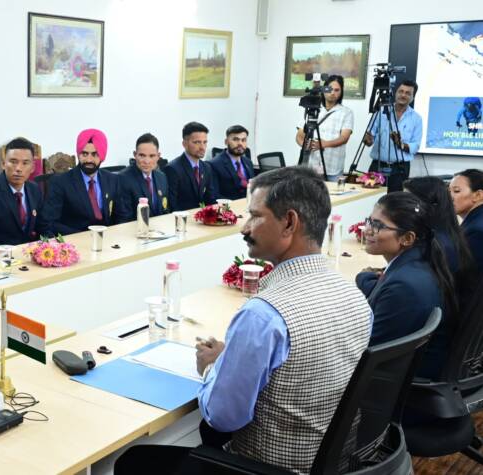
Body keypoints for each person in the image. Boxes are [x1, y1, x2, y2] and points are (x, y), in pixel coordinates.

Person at [115, 167, 372, 474]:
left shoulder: (264, 315)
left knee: (132, 462)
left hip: (262, 467)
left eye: (255, 216)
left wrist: (212, 368)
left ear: (289, 223)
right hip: (332, 464)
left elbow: (223, 417)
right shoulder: (354, 297)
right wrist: (234, 358)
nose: (244, 228)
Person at [355, 192, 456, 380]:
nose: (367, 230)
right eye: (369, 221)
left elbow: (367, 350)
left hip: (393, 383)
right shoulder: (415, 264)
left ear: (407, 238)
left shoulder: (404, 287)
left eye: (378, 225)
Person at [42, 129, 132, 235]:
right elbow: (49, 223)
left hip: (107, 240)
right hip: (75, 240)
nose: (89, 160)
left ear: (102, 156)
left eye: (94, 154)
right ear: (78, 154)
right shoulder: (60, 182)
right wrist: (83, 238)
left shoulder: (113, 180)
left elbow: (122, 216)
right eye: (84, 154)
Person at [363, 79, 423, 192]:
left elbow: (415, 146)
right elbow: (369, 138)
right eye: (401, 91)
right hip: (378, 166)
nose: (403, 95)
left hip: (400, 169)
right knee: (371, 198)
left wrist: (401, 144)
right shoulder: (380, 111)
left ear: (413, 97)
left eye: (408, 93)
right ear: (395, 93)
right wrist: (368, 140)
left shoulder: (416, 119)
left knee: (395, 200)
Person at [295, 75, 354, 181]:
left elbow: (344, 138)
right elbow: (299, 135)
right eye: (330, 89)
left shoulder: (346, 112)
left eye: (337, 90)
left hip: (333, 166)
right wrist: (305, 145)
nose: (333, 93)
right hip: (310, 167)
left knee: (334, 192)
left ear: (341, 92)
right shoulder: (312, 108)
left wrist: (324, 144)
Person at [164, 122, 218, 211]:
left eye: (205, 142)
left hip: (203, 216)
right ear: (184, 144)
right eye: (197, 142)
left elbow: (211, 199)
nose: (202, 147)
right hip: (183, 217)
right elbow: (172, 205)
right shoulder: (172, 169)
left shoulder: (206, 167)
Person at [119, 133, 171, 217]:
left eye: (152, 156)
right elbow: (125, 218)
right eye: (142, 155)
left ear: (158, 156)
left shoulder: (162, 177)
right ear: (135, 155)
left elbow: (165, 210)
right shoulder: (123, 179)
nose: (147, 161)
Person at [450, 169, 483, 272]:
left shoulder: (476, 232)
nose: (449, 197)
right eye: (448, 192)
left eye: (456, 191)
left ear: (478, 195)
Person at [210, 125, 255, 200]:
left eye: (243, 140)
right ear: (226, 142)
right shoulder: (213, 164)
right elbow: (215, 195)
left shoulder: (248, 162)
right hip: (229, 205)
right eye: (235, 139)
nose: (240, 143)